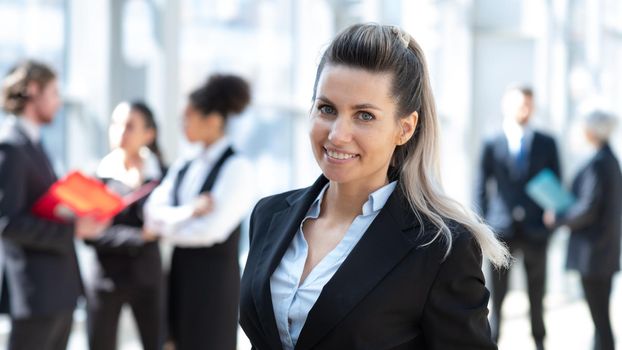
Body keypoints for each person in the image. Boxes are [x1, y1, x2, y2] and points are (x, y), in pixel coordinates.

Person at [240, 23, 510, 350]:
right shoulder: (269, 215)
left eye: (364, 116)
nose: (338, 134)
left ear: (405, 128)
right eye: (327, 108)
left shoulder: (440, 248)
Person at [0, 60, 107, 350]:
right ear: (33, 91)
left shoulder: (34, 144)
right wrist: (72, 229)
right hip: (36, 294)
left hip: (57, 292)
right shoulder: (10, 147)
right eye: (54, 92)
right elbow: (8, 223)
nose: (59, 101)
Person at [144, 74, 255, 350]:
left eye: (189, 116)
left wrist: (164, 229)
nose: (183, 123)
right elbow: (151, 212)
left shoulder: (237, 167)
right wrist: (188, 213)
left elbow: (210, 231)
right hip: (179, 277)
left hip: (213, 285)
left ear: (214, 120)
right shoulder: (186, 164)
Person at [476, 85, 561, 350]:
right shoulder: (492, 142)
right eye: (519, 104)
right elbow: (481, 186)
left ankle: (539, 341)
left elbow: (555, 184)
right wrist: (483, 224)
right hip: (502, 230)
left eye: (529, 104)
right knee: (497, 295)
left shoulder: (547, 143)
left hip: (536, 231)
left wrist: (552, 221)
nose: (524, 109)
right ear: (507, 105)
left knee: (538, 294)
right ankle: (493, 341)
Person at [83, 101, 165, 350]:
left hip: (148, 278)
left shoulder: (162, 175)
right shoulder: (96, 176)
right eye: (116, 124)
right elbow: (90, 233)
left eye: (130, 126)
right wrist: (141, 235)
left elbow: (165, 223)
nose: (120, 132)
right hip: (105, 280)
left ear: (148, 134)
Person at [544, 110, 621, 350]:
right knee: (600, 319)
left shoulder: (598, 163)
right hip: (602, 252)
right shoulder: (609, 160)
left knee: (600, 320)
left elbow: (587, 208)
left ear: (591, 131)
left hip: (594, 253)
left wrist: (557, 218)